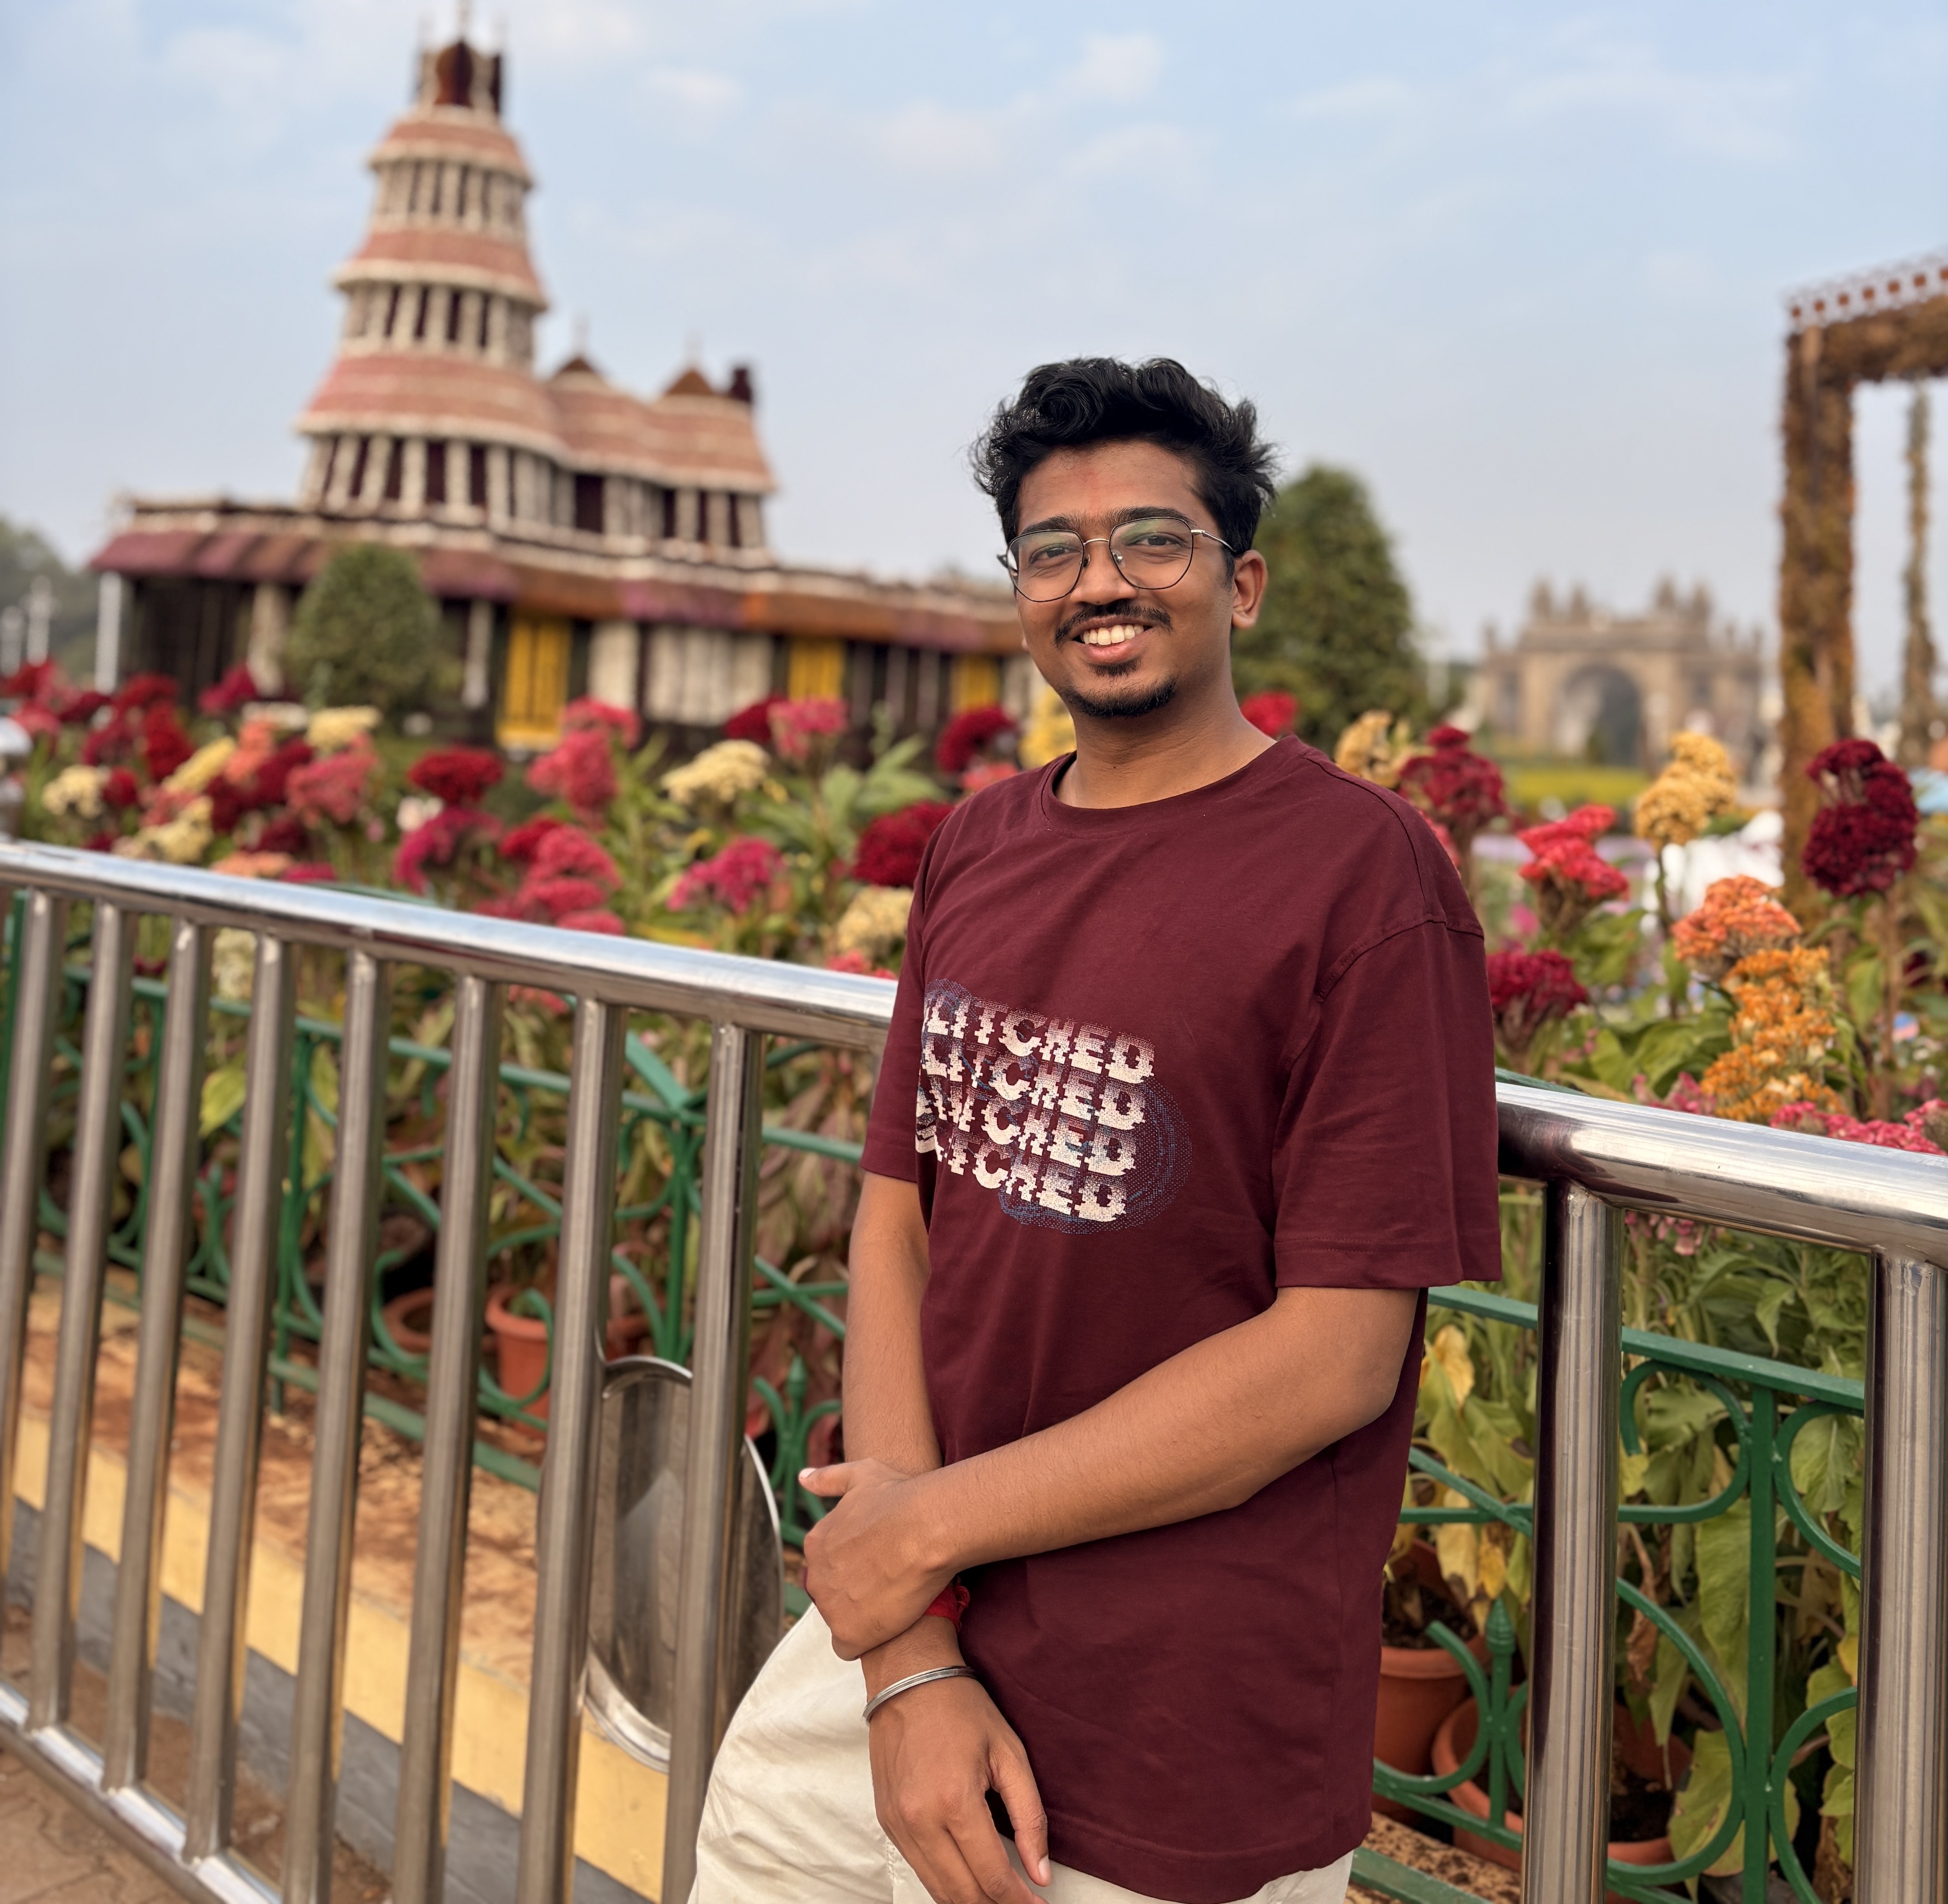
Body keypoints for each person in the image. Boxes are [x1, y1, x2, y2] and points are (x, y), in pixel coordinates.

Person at [691, 357, 1501, 1904]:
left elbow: (1333, 1353)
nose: (1099, 581)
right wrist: (911, 1644)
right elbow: (898, 1219)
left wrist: (919, 1530)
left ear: (1240, 582)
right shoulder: (978, 843)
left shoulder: (1363, 878)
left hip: (1175, 1705)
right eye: (1051, 549)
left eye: (1152, 539)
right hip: (898, 1641)